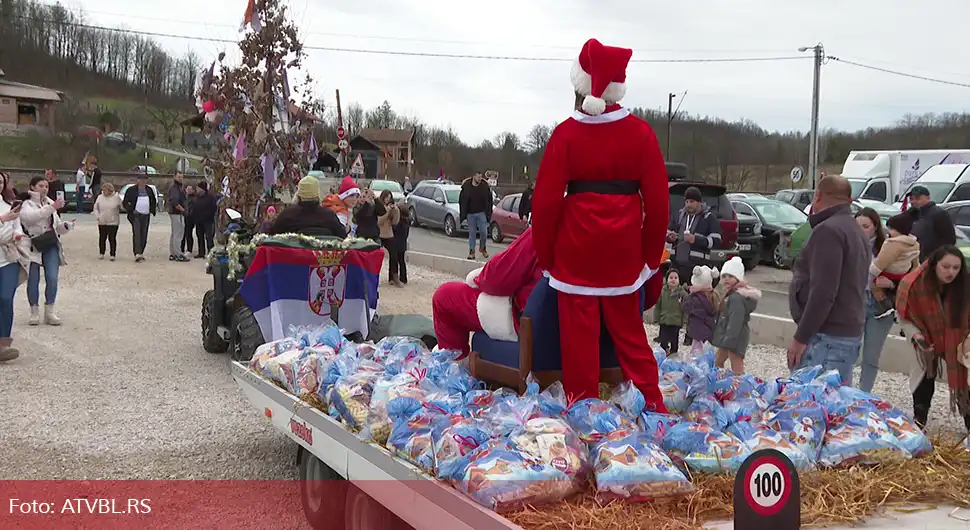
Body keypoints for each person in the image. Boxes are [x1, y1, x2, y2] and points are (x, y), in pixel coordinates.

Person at [530, 38, 668, 409]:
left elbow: (544, 206)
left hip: (575, 255)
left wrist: (547, 257)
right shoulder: (642, 134)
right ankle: (655, 407)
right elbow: (657, 206)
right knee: (632, 338)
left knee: (579, 345)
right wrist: (649, 258)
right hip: (623, 255)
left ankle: (585, 413)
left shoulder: (566, 134)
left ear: (581, 86)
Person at [787, 175, 871, 386]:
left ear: (818, 196)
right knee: (835, 407)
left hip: (825, 338)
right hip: (845, 333)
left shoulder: (828, 231)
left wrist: (801, 338)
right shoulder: (855, 230)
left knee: (809, 408)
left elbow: (823, 292)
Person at [432, 226, 542, 359]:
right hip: (559, 327)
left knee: (445, 297)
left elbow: (498, 278)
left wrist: (478, 277)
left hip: (527, 323)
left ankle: (453, 366)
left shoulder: (545, 229)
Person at [896, 246, 970, 441]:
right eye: (946, 266)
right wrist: (917, 336)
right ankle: (919, 424)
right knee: (923, 378)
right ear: (934, 265)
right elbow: (903, 316)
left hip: (958, 337)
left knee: (965, 380)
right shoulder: (913, 284)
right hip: (924, 334)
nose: (951, 272)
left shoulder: (965, 284)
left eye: (956, 267)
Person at [20, 176, 72, 326]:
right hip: (33, 245)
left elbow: (56, 226)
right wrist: (52, 208)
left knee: (52, 278)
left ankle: (50, 311)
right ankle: (34, 311)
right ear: (32, 187)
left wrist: (66, 226)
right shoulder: (27, 204)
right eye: (41, 186)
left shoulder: (50, 203)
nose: (44, 189)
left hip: (50, 243)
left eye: (46, 186)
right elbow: (30, 219)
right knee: (33, 279)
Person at [854, 208, 896, 392]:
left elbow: (907, 275)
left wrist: (892, 283)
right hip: (855, 302)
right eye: (857, 226)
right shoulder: (848, 245)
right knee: (849, 351)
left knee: (871, 356)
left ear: (875, 227)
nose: (861, 230)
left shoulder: (887, 248)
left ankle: (864, 393)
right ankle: (843, 392)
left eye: (865, 226)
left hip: (880, 306)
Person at [711, 256, 761, 374]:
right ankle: (719, 383)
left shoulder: (736, 298)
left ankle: (741, 387)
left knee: (736, 365)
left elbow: (735, 321)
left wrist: (729, 340)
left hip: (735, 337)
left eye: (731, 276)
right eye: (724, 276)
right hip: (728, 336)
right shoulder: (730, 294)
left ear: (738, 278)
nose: (727, 279)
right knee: (717, 361)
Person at [0, 172, 30, 362]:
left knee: (5, 297)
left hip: (8, 258)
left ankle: (3, 344)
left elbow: (17, 227)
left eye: (1, 182)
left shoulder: (9, 205)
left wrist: (17, 234)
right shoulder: (5, 212)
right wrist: (3, 219)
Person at [869, 212, 920, 318]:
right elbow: (915, 264)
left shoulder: (893, 244)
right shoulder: (914, 244)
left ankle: (883, 307)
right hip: (902, 274)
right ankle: (896, 304)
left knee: (875, 285)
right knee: (893, 291)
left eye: (891, 229)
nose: (889, 232)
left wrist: (873, 270)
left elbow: (882, 261)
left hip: (889, 272)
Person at [268, 176, 346, 237]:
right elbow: (342, 235)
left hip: (293, 257)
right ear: (318, 194)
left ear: (298, 195)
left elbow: (272, 235)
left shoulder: (287, 215)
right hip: (321, 257)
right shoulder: (329, 215)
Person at [905, 185, 956, 262]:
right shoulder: (912, 213)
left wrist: (934, 256)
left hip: (930, 259)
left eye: (918, 198)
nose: (913, 202)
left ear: (928, 198)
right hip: (914, 258)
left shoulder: (939, 214)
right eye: (911, 199)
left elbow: (949, 239)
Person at [683, 265, 720, 359]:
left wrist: (690, 293)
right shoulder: (713, 296)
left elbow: (686, 307)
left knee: (696, 354)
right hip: (709, 330)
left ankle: (697, 371)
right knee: (706, 353)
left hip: (697, 331)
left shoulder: (695, 298)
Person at [122, 173, 157, 263]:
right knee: (137, 233)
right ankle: (137, 253)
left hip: (146, 214)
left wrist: (152, 210)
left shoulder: (149, 190)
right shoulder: (131, 190)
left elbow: (153, 200)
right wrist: (131, 209)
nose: (143, 181)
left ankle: (141, 252)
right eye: (141, 180)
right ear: (137, 180)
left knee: (144, 234)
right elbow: (125, 202)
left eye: (144, 180)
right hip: (136, 215)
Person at [459, 172, 493, 260]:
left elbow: (489, 200)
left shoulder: (484, 187)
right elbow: (462, 201)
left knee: (484, 232)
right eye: (478, 177)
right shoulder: (467, 186)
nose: (480, 179)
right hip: (470, 214)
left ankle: (482, 247)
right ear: (473, 176)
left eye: (481, 177)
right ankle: (472, 252)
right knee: (472, 233)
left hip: (481, 213)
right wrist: (463, 214)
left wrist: (489, 212)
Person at [653, 268, 686, 356]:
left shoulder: (682, 293)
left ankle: (673, 353)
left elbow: (685, 308)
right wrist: (656, 317)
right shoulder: (662, 291)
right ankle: (664, 352)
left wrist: (685, 320)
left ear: (679, 280)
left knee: (674, 339)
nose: (673, 280)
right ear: (666, 279)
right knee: (663, 339)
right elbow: (658, 306)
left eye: (675, 278)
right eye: (671, 277)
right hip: (664, 319)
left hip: (676, 321)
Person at [377, 190, 401, 286]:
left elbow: (395, 222)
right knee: (377, 255)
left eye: (389, 197)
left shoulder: (391, 207)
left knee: (394, 255)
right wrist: (387, 211)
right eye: (386, 197)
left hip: (389, 234)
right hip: (379, 233)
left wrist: (396, 211)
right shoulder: (378, 206)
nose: (387, 199)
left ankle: (393, 276)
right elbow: (379, 221)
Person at [93, 183, 122, 261]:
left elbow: (121, 207)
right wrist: (98, 216)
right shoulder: (100, 197)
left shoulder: (116, 197)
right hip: (102, 220)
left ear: (110, 190)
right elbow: (95, 208)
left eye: (105, 190)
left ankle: (112, 254)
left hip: (113, 221)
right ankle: (101, 253)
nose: (104, 191)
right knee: (102, 238)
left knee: (112, 238)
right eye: (103, 190)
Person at [167, 171, 189, 261]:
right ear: (174, 177)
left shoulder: (178, 187)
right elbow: (174, 201)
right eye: (178, 177)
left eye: (181, 177)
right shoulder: (175, 188)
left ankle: (173, 252)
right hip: (176, 212)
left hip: (175, 212)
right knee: (178, 233)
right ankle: (178, 253)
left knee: (174, 233)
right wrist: (183, 210)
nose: (180, 178)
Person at [192, 181, 218, 257]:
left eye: (198, 188)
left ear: (202, 189)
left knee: (209, 237)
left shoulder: (210, 197)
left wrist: (209, 215)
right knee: (199, 236)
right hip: (198, 220)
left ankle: (211, 252)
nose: (196, 189)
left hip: (208, 220)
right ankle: (201, 252)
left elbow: (214, 207)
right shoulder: (197, 197)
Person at [392, 200, 410, 285]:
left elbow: (395, 230)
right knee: (402, 261)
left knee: (398, 261)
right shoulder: (407, 222)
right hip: (402, 244)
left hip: (397, 244)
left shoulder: (400, 222)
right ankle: (403, 277)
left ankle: (399, 277)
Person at [181, 184, 197, 256]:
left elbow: (192, 209)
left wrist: (189, 215)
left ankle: (189, 249)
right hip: (183, 217)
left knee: (188, 234)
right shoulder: (184, 198)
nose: (189, 190)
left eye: (190, 189)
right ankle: (181, 248)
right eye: (188, 189)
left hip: (190, 219)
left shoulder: (194, 199)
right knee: (182, 234)